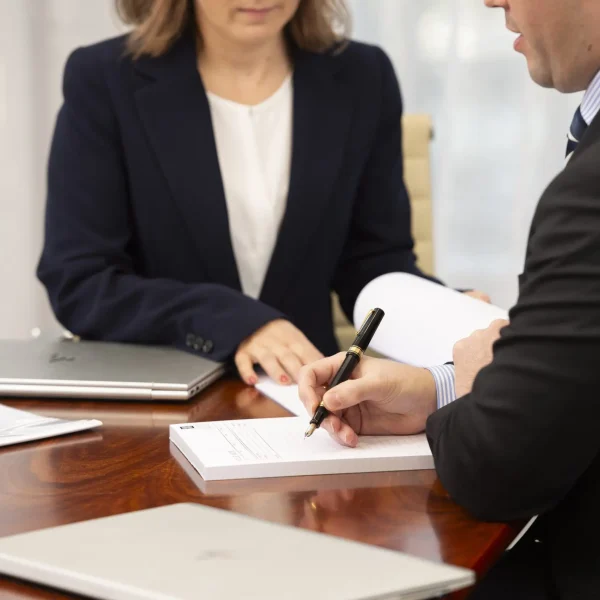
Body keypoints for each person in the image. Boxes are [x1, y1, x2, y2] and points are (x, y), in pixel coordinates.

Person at [299, 0, 600, 597]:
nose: (491, 0)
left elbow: (498, 470)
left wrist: (476, 390)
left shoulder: (588, 195)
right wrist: (438, 388)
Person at [36, 0, 488, 386]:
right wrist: (235, 321)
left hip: (305, 396)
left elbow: (371, 262)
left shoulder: (363, 77)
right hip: (161, 403)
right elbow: (81, 281)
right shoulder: (103, 80)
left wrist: (444, 313)